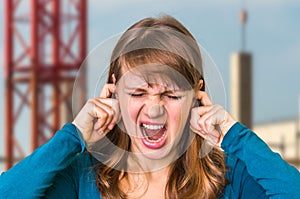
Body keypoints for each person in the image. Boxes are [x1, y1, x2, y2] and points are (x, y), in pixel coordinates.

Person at [0, 15, 299, 199]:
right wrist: (73, 136)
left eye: (170, 94)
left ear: (197, 97)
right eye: (139, 92)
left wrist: (234, 136)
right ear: (114, 94)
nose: (153, 109)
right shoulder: (84, 178)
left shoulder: (227, 180)